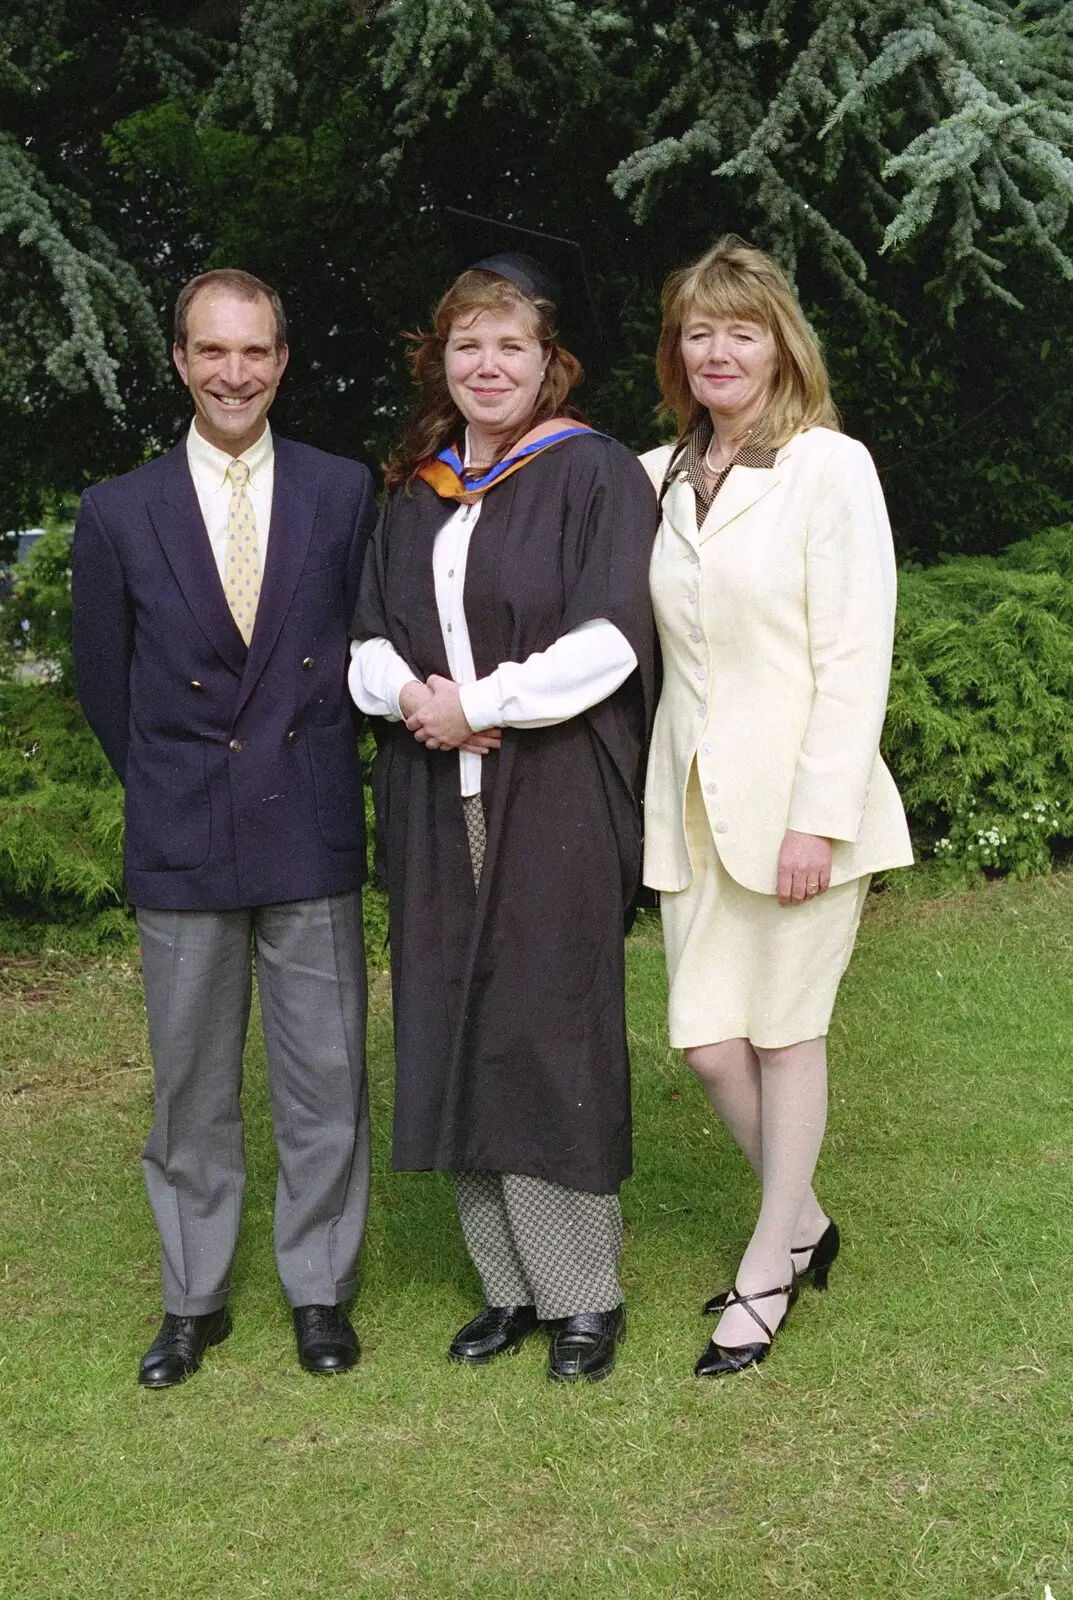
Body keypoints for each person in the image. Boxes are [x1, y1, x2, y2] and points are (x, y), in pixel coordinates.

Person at [349, 251, 656, 1382]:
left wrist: (479, 701)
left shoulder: (593, 475)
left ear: (547, 363)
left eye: (509, 345)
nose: (487, 364)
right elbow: (365, 639)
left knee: (543, 1022)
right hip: (436, 793)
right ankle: (507, 1288)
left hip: (556, 794)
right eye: (467, 345)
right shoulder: (412, 489)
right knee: (450, 1018)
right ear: (444, 359)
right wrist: (417, 702)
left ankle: (583, 1296)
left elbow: (610, 638)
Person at [71, 268, 377, 1386]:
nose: (233, 373)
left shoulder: (344, 493)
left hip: (307, 822)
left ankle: (318, 1291)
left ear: (282, 361)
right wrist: (175, 784)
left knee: (323, 1078)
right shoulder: (118, 509)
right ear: (180, 361)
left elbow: (362, 649)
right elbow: (108, 688)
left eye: (254, 351)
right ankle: (192, 1299)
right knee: (190, 1086)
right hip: (183, 830)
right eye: (212, 351)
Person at [640, 235, 913, 1378]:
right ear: (677, 350)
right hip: (692, 808)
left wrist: (819, 814)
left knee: (784, 1036)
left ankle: (765, 1272)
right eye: (697, 331)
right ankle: (802, 1219)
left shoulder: (829, 467)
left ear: (778, 344)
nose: (716, 349)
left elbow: (856, 652)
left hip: (806, 808)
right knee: (708, 1046)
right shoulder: (654, 470)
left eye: (738, 330)